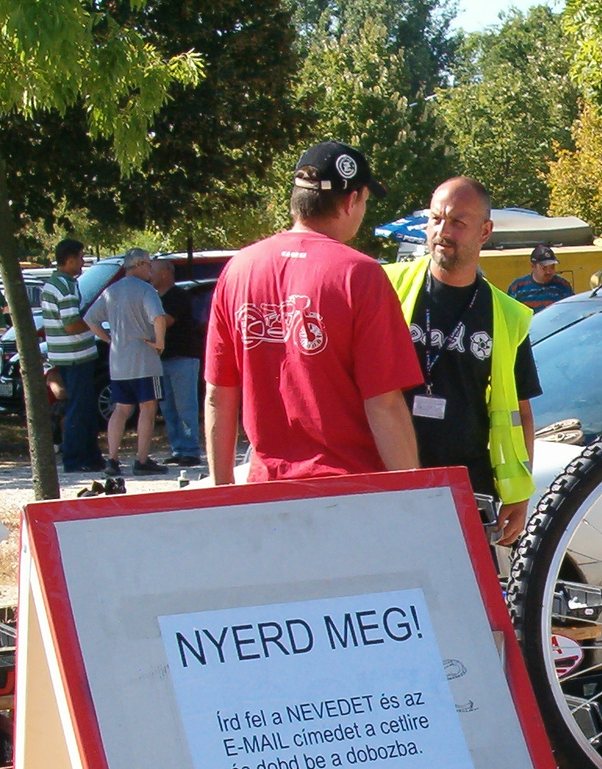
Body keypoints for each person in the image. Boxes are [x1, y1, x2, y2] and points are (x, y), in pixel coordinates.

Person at [204, 140, 422, 484]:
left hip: (266, 491)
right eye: (365, 201)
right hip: (350, 489)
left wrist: (222, 491)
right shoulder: (359, 275)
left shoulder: (238, 269)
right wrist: (416, 495)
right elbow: (384, 405)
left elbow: (219, 395)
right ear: (352, 200)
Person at [384, 177, 540, 546]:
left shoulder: (507, 314)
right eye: (436, 219)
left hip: (467, 488)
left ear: (485, 231)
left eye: (457, 222)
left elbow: (521, 411)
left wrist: (519, 493)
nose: (443, 231)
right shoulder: (386, 287)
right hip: (390, 479)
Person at [87, 248, 168, 477]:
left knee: (120, 409)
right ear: (140, 264)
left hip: (119, 360)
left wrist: (109, 339)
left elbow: (90, 320)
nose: (151, 269)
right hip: (144, 358)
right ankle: (141, 459)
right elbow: (159, 317)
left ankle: (112, 459)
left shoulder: (111, 291)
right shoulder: (146, 290)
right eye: (149, 264)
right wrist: (159, 342)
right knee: (148, 408)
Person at [41, 238, 104, 472]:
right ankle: (76, 459)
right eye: (80, 257)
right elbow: (71, 324)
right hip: (75, 356)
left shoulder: (53, 283)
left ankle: (90, 456)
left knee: (82, 407)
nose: (82, 262)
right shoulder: (66, 286)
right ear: (68, 260)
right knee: (80, 408)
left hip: (64, 355)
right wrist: (95, 324)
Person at [151, 259, 202, 467]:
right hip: (159, 360)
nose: (149, 275)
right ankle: (177, 448)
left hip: (183, 359)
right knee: (167, 408)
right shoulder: (152, 298)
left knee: (185, 407)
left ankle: (190, 450)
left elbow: (167, 321)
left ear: (165, 273)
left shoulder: (179, 296)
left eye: (152, 270)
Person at [506, 244, 574, 311]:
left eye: (552, 267)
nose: (549, 271)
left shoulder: (563, 286)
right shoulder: (517, 287)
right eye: (544, 268)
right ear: (533, 266)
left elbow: (572, 311)